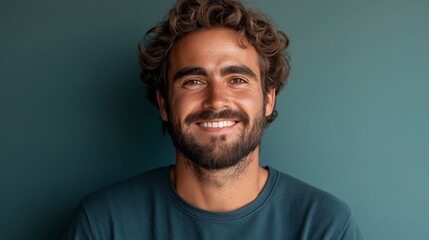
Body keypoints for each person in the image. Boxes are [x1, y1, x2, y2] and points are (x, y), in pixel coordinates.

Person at [63, 0, 363, 239]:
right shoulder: (103, 223)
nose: (216, 99)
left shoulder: (324, 225)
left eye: (237, 79)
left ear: (268, 99)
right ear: (164, 103)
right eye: (193, 81)